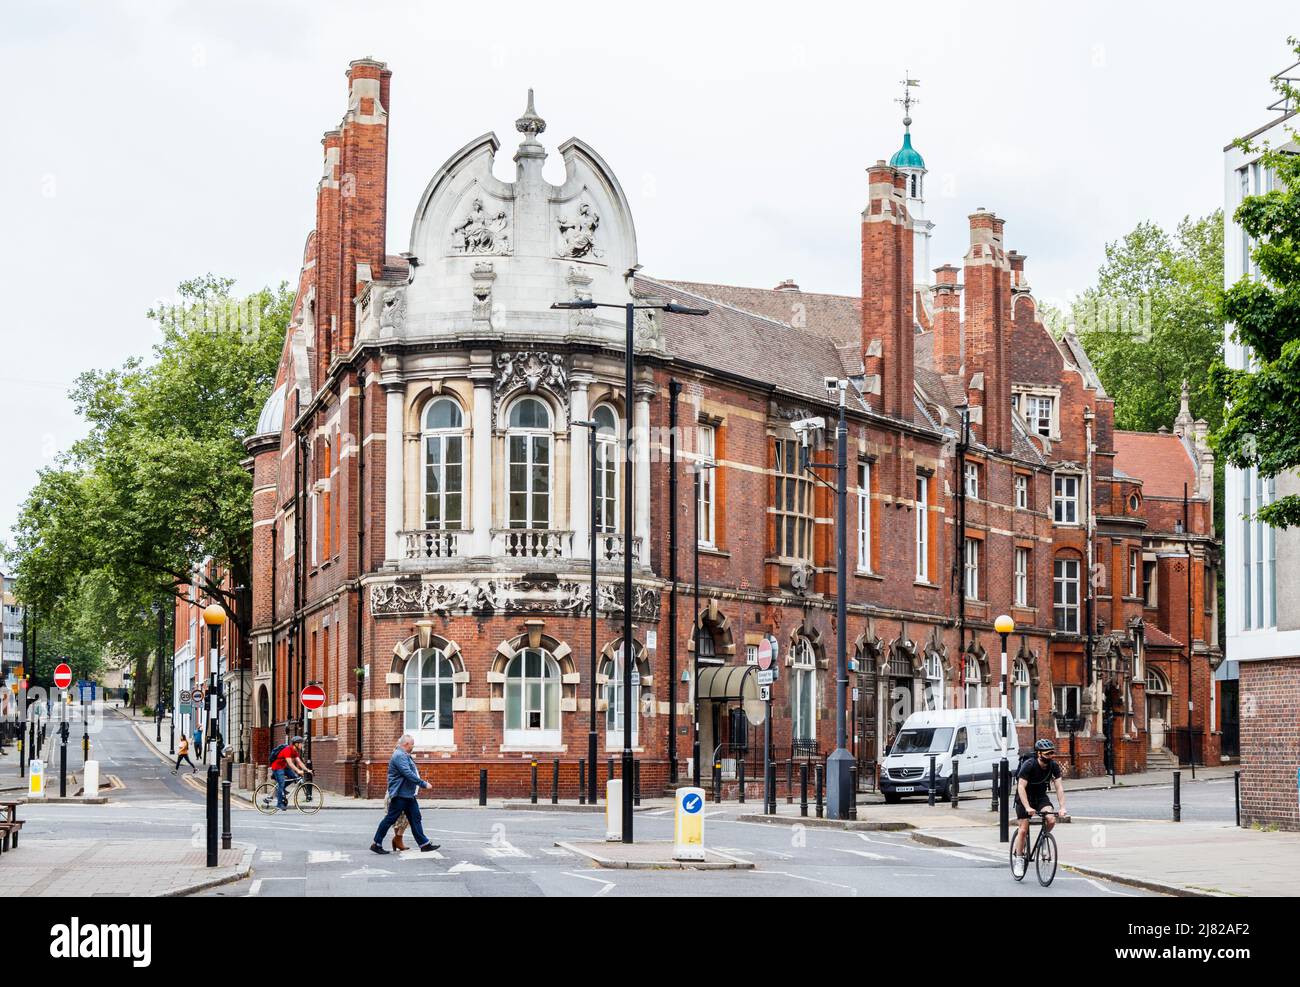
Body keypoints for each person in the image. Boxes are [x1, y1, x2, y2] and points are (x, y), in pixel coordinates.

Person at [370, 734, 439, 854]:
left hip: (408, 794)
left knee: (415, 818)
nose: (413, 747)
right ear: (406, 744)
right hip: (400, 794)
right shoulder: (399, 755)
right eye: (412, 744)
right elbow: (407, 773)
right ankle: (376, 843)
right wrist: (423, 784)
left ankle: (424, 844)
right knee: (390, 819)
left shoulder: (404, 754)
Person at [1012, 738, 1069, 877]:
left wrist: (1062, 807)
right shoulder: (1029, 765)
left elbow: (1059, 787)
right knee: (1023, 830)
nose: (1050, 756)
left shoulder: (1053, 766)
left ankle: (1043, 841)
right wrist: (1027, 807)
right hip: (1024, 797)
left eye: (1052, 753)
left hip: (1041, 797)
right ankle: (1019, 859)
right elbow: (1020, 786)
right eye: (1047, 753)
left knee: (1051, 820)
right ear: (1039, 753)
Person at [270, 736, 308, 810]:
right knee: (281, 784)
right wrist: (298, 770)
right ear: (296, 744)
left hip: (283, 767)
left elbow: (299, 761)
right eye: (301, 743)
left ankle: (282, 789)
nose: (302, 745)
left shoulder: (294, 751)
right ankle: (279, 804)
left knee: (295, 777)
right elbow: (290, 764)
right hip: (277, 767)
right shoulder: (287, 750)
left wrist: (307, 769)